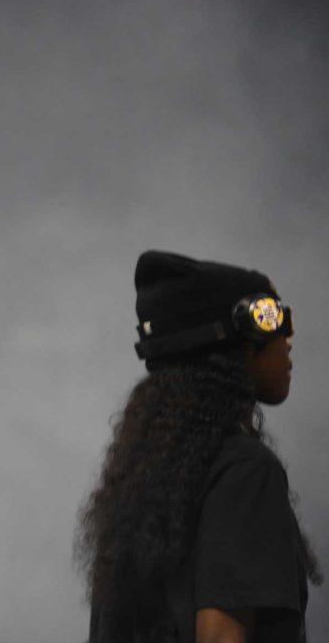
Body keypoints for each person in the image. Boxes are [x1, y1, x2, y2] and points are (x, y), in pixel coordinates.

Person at [79, 250, 321, 642]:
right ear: (242, 342)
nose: (288, 340)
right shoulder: (246, 472)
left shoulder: (144, 482)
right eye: (275, 320)